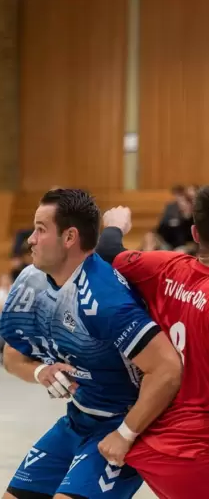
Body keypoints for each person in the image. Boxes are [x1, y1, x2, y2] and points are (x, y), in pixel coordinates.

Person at [0, 188, 182, 499]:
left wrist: (125, 434)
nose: (30, 239)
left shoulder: (103, 298)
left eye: (41, 230)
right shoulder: (31, 280)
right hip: (77, 418)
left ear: (69, 237)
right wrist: (40, 371)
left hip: (119, 425)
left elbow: (167, 369)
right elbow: (12, 354)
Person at [96, 191, 209, 499]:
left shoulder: (165, 268)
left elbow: (108, 251)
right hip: (200, 453)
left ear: (195, 233)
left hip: (159, 448)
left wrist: (115, 225)